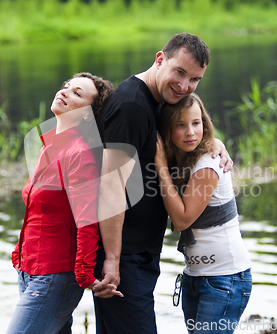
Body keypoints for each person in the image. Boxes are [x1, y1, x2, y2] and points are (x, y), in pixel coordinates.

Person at [92, 33, 232, 334]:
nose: (184, 86)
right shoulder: (132, 105)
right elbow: (111, 185)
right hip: (123, 258)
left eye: (195, 79)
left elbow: (187, 133)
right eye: (179, 72)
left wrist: (214, 142)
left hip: (139, 255)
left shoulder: (159, 101)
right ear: (160, 59)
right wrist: (113, 261)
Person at [6, 73, 121, 334]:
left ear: (87, 115)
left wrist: (84, 275)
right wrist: (18, 256)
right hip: (29, 271)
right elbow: (36, 212)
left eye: (78, 93)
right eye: (67, 87)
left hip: (53, 276)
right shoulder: (48, 146)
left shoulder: (79, 153)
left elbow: (87, 220)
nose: (66, 92)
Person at [155, 93, 252, 334]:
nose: (191, 132)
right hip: (195, 277)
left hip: (224, 279)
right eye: (180, 124)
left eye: (196, 123)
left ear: (204, 124)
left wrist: (160, 166)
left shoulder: (208, 163)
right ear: (167, 130)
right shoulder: (181, 160)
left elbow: (181, 219)